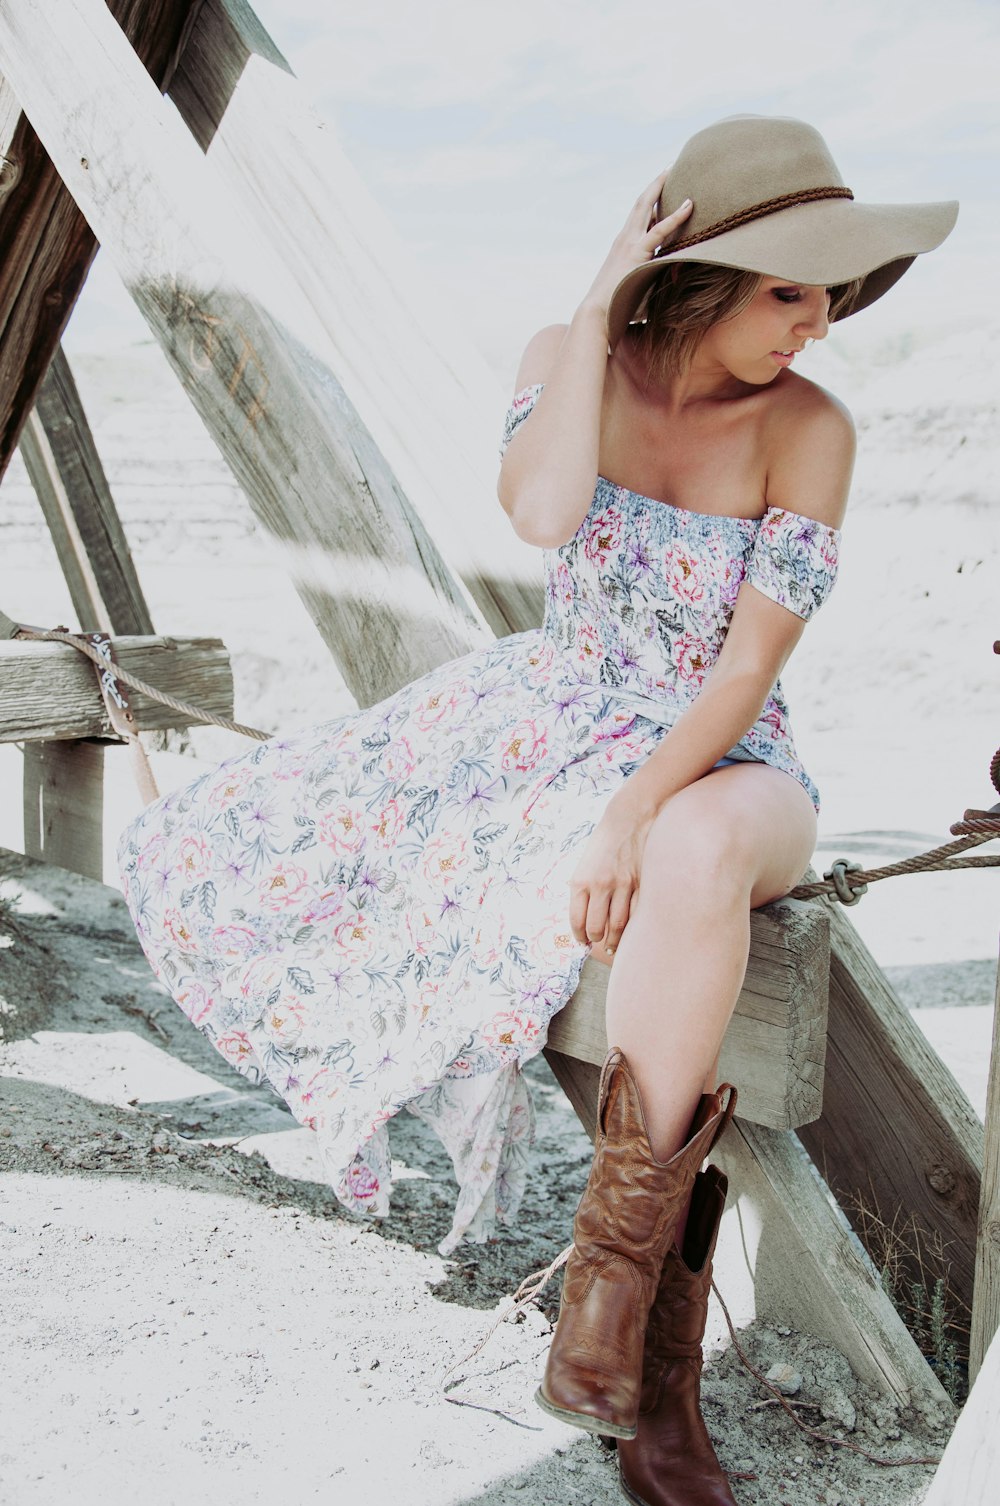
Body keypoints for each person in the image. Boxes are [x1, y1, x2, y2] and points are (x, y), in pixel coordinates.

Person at [117, 115, 955, 1506]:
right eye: (788, 291)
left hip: (732, 749)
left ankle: (613, 1306)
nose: (820, 324)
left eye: (831, 293)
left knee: (682, 849)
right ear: (697, 274)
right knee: (266, 838)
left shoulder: (813, 430)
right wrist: (586, 314)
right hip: (554, 708)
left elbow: (749, 666)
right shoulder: (564, 365)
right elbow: (540, 511)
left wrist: (631, 807)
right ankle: (652, 1375)